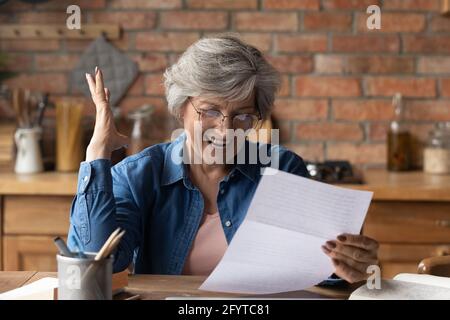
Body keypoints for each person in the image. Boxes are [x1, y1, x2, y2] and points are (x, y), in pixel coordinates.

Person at [68, 36, 378, 283]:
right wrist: (97, 154)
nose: (225, 129)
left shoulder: (282, 169)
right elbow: (96, 263)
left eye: (242, 116)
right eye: (210, 111)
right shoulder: (139, 175)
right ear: (181, 108)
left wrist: (345, 270)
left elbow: (318, 270)